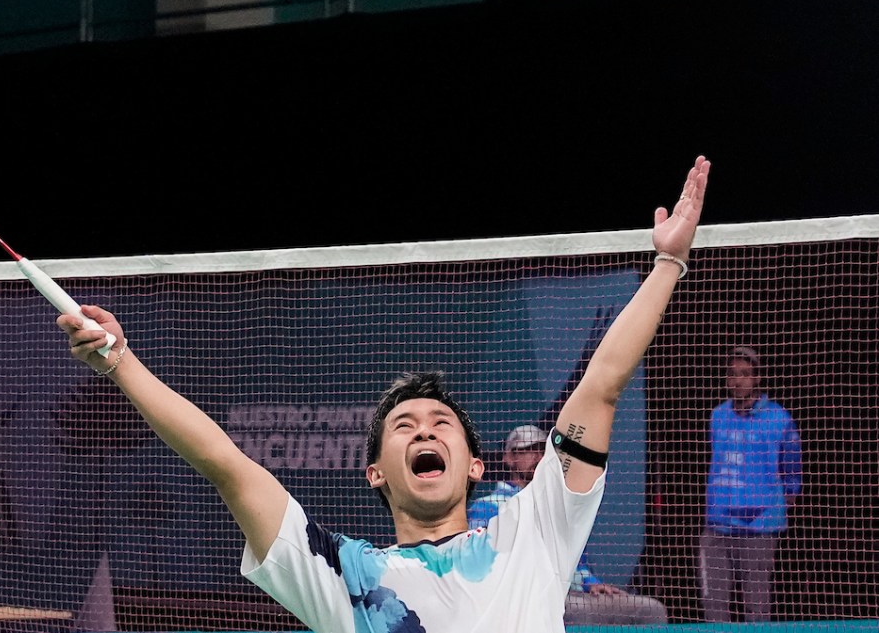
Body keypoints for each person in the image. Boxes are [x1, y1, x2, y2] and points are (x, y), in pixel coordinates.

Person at [56, 155, 711, 633]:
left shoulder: (532, 535)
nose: (423, 430)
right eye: (403, 426)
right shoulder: (339, 572)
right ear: (374, 471)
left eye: (439, 422)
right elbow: (225, 463)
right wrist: (122, 364)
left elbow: (600, 385)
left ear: (476, 466)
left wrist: (666, 264)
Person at [469, 425, 668, 625]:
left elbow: (572, 557)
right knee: (578, 613)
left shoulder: (557, 505)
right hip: (523, 595)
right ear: (509, 458)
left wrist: (590, 583)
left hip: (570, 591)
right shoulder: (487, 507)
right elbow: (477, 561)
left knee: (650, 610)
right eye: (529, 450)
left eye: (542, 450)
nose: (538, 457)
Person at [700, 344, 802, 622]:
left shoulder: (779, 420)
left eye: (745, 374)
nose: (737, 380)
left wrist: (768, 509)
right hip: (718, 528)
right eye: (732, 374)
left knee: (757, 610)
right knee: (713, 610)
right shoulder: (717, 416)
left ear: (757, 378)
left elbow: (793, 477)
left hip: (758, 530)